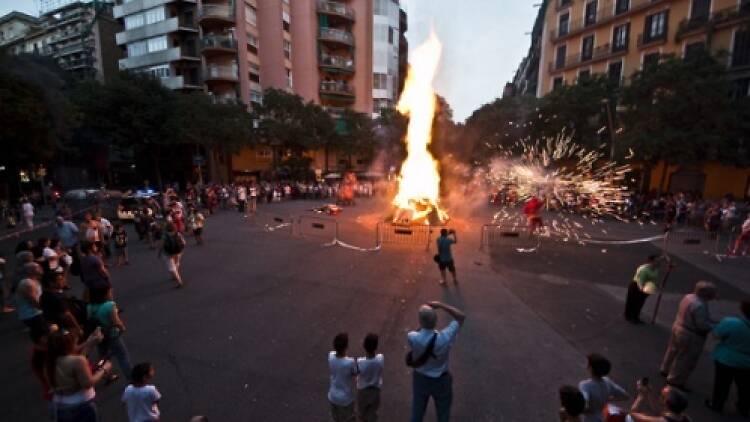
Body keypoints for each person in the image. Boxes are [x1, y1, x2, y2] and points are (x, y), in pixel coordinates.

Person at [408, 301, 466, 422]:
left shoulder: (413, 337)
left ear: (421, 322)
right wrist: (440, 305)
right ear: (436, 322)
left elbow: (417, 332)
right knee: (443, 413)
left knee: (417, 412)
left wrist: (422, 323)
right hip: (441, 380)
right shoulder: (445, 337)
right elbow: (461, 316)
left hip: (420, 379)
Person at [660, 281, 717, 391]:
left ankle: (665, 369)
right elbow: (702, 325)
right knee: (685, 358)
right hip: (690, 333)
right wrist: (714, 326)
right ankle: (675, 380)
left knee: (672, 350)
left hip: (678, 325)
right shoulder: (700, 305)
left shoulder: (689, 297)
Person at [46, 329, 112, 422]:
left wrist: (89, 344)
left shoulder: (50, 362)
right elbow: (87, 383)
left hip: (59, 405)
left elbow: (75, 366)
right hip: (80, 406)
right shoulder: (78, 361)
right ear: (68, 344)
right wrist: (104, 369)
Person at [705, 300, 750, 416]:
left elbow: (716, 334)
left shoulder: (732, 323)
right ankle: (743, 407)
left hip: (726, 359)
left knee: (722, 384)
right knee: (744, 387)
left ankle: (717, 404)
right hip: (747, 363)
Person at [88, 286, 132, 382]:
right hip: (112, 334)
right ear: (104, 294)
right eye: (109, 292)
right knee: (122, 356)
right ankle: (131, 379)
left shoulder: (90, 307)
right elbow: (116, 321)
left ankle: (106, 375)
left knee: (103, 356)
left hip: (99, 335)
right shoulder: (110, 305)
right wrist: (122, 328)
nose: (110, 293)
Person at [577, 353, 629, 422]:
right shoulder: (607, 381)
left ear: (591, 368)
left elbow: (584, 406)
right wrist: (608, 398)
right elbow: (626, 396)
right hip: (602, 418)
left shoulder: (585, 385)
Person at [328, 332, 357, 422]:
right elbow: (355, 373)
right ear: (346, 346)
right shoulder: (349, 362)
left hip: (332, 396)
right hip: (345, 399)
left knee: (335, 419)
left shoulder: (331, 356)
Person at [624, 255, 660, 324]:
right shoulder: (644, 270)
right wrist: (642, 291)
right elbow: (640, 281)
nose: (658, 262)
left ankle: (635, 317)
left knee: (640, 303)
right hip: (636, 286)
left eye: (658, 261)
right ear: (651, 261)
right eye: (656, 261)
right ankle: (630, 317)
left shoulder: (655, 269)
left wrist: (656, 285)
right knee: (634, 302)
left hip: (646, 287)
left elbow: (654, 279)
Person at [357, 333, 384, 422]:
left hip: (363, 390)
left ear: (364, 346)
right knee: (373, 413)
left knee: (362, 413)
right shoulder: (380, 359)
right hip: (375, 390)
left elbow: (356, 372)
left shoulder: (360, 362)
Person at [15, 262, 47, 338]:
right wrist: (48, 311)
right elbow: (34, 302)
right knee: (45, 336)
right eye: (37, 267)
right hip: (33, 315)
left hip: (36, 313)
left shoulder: (34, 280)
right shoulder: (28, 284)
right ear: (30, 271)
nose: (41, 268)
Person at [159, 223, 185, 288]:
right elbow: (184, 242)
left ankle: (179, 281)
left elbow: (161, 245)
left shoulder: (164, 236)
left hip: (168, 253)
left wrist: (159, 253)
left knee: (172, 268)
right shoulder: (178, 234)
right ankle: (175, 275)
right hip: (178, 252)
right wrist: (181, 249)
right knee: (176, 263)